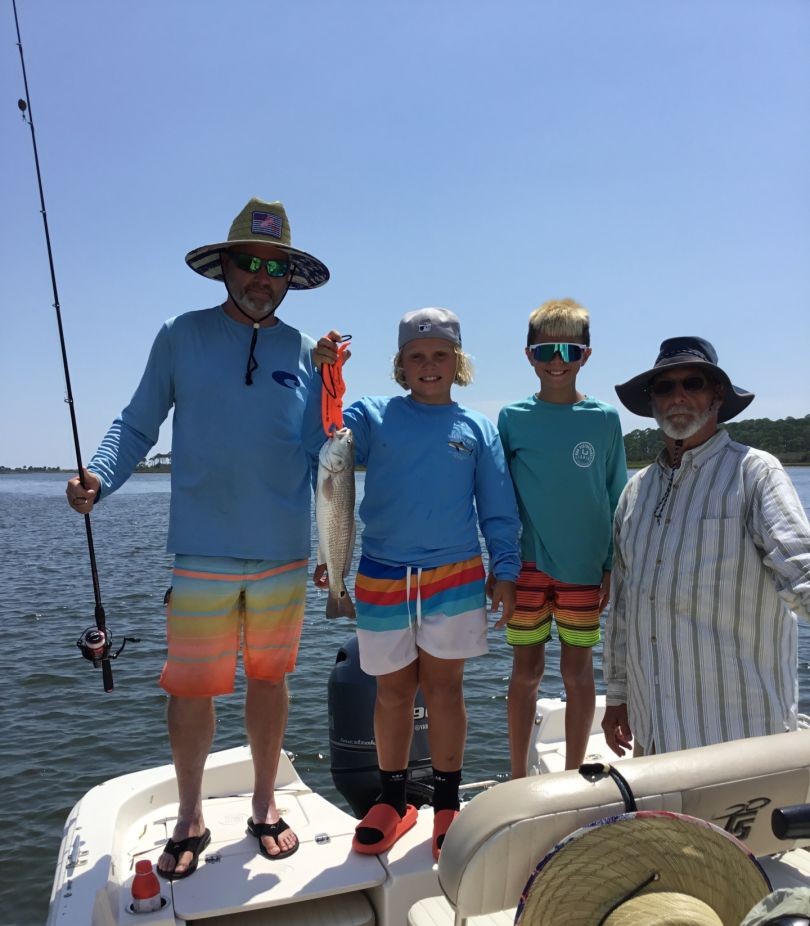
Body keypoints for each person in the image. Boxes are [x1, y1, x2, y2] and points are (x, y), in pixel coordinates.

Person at [66, 198, 341, 878]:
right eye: (250, 263)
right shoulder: (180, 335)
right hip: (201, 551)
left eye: (275, 268)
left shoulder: (305, 352)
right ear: (225, 267)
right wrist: (99, 476)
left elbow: (324, 451)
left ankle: (265, 805)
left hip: (283, 552)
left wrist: (335, 390)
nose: (261, 278)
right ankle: (190, 815)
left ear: (290, 278)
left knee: (270, 680)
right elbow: (137, 424)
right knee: (190, 689)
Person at [316, 308, 521, 859]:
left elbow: (498, 509)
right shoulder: (373, 415)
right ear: (400, 365)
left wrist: (505, 569)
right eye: (416, 356)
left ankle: (448, 802)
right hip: (382, 574)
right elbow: (325, 433)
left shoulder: (476, 428)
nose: (428, 365)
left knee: (445, 690)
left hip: (455, 575)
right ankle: (392, 799)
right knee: (392, 692)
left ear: (458, 362)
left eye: (439, 355)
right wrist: (328, 375)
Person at [603, 336, 810, 757]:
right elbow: (624, 608)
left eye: (692, 383)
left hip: (740, 739)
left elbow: (802, 570)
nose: (678, 396)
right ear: (652, 401)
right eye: (664, 387)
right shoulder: (635, 492)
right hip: (653, 733)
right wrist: (617, 695)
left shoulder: (755, 473)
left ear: (716, 395)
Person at [497, 298, 627, 777]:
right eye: (545, 351)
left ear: (586, 356)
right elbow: (497, 499)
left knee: (577, 672)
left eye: (569, 351)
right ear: (528, 355)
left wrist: (611, 563)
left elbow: (617, 495)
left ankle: (572, 774)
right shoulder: (512, 418)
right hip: (526, 565)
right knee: (525, 672)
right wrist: (501, 567)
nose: (557, 361)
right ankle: (517, 776)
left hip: (584, 566)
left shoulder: (604, 418)